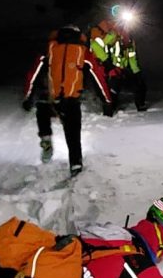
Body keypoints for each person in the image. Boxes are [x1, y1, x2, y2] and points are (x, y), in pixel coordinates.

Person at [22, 24, 114, 176]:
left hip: (51, 97)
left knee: (42, 110)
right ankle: (75, 164)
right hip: (71, 99)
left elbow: (33, 73)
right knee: (73, 133)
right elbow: (98, 77)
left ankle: (46, 138)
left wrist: (28, 97)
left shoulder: (49, 48)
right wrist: (106, 99)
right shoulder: (83, 51)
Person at [88, 5, 147, 112]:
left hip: (122, 66)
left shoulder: (127, 33)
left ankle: (141, 107)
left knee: (140, 85)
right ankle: (108, 115)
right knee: (111, 92)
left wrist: (136, 71)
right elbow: (97, 45)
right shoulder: (104, 29)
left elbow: (130, 53)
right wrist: (107, 62)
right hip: (110, 66)